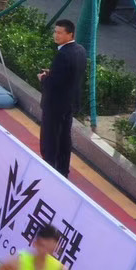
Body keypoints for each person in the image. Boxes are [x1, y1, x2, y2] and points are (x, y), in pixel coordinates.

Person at [38, 19, 85, 176]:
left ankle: (49, 171)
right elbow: (70, 76)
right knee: (65, 138)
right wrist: (52, 74)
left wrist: (43, 78)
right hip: (69, 104)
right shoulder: (80, 50)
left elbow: (53, 84)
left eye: (60, 33)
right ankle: (63, 170)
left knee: (50, 139)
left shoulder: (63, 55)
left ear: (70, 34)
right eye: (55, 32)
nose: (56, 35)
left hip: (55, 105)